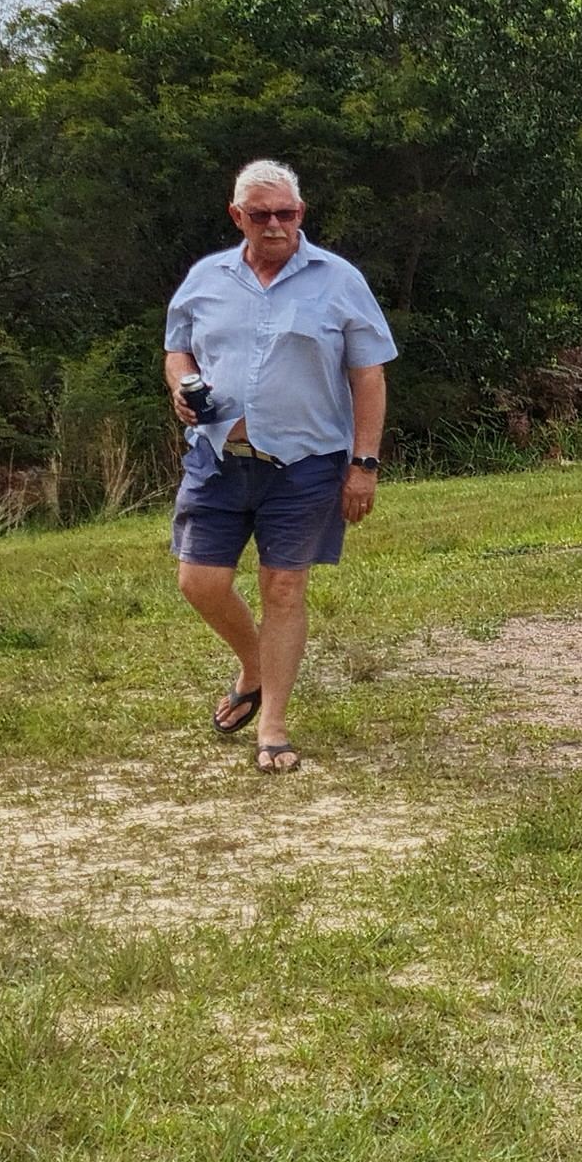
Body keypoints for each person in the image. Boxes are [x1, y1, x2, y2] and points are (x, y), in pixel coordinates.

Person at [165, 159, 395, 773]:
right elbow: (178, 346)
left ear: (301, 213)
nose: (275, 225)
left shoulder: (339, 280)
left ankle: (273, 727)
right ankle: (256, 667)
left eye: (286, 213)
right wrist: (181, 387)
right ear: (237, 216)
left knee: (284, 587)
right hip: (217, 456)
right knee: (199, 582)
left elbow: (368, 375)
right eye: (261, 214)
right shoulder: (205, 278)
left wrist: (364, 464)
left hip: (306, 462)